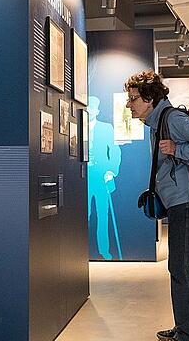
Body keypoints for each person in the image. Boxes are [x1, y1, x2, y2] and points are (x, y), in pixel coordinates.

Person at [124, 71, 189, 341]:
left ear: (149, 99)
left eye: (133, 99)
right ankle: (187, 328)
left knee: (182, 270)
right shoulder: (159, 122)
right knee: (186, 269)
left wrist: (179, 151)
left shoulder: (173, 119)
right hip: (184, 203)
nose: (128, 104)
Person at [87, 96, 122, 260]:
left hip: (102, 177)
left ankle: (104, 250)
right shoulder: (78, 127)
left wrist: (111, 171)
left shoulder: (106, 128)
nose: (89, 111)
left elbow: (115, 151)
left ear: (97, 111)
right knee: (83, 214)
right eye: (87, 107)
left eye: (92, 108)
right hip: (83, 177)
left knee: (103, 215)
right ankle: (83, 249)